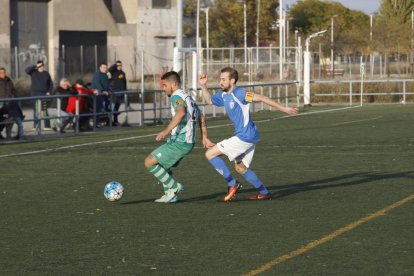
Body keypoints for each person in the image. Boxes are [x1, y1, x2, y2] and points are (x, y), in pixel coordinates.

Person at [199, 67, 298, 202]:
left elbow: (261, 98)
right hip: (249, 137)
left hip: (244, 137)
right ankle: (264, 193)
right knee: (240, 168)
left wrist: (284, 109)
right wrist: (203, 86)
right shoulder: (223, 95)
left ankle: (232, 184)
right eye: (220, 79)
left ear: (232, 80)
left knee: (209, 154)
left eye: (223, 79)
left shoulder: (240, 93)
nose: (220, 82)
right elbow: (210, 100)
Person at [144, 71, 214, 203]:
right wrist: (204, 137)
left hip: (180, 141)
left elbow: (180, 113)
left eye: (165, 85)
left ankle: (174, 187)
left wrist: (165, 131)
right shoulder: (187, 96)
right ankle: (170, 195)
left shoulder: (176, 96)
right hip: (185, 141)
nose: (163, 88)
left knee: (149, 162)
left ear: (174, 84)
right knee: (162, 166)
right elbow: (201, 116)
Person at [25, 61, 53, 131]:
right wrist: (36, 66)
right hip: (35, 94)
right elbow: (27, 70)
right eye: (40, 66)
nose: (42, 67)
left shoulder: (46, 74)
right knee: (36, 110)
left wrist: (49, 91)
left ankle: (47, 126)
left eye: (43, 65)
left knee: (45, 110)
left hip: (44, 94)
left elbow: (50, 84)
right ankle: (36, 126)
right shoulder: (33, 72)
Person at [0, 68, 24, 140]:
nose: (2, 74)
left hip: (12, 104)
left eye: (3, 72)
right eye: (1, 72)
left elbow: (13, 90)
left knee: (17, 121)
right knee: (5, 121)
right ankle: (7, 137)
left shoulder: (9, 80)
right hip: (2, 104)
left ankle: (19, 136)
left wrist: (14, 96)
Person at [91, 63, 111, 127]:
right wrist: (102, 91)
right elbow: (97, 83)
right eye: (104, 67)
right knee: (97, 108)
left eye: (106, 67)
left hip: (105, 94)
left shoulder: (105, 75)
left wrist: (108, 90)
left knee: (105, 108)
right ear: (100, 68)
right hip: (98, 94)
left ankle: (106, 122)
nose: (105, 69)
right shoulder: (97, 74)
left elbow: (107, 84)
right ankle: (95, 123)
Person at [109, 61, 127, 126]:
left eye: (121, 65)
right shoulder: (114, 72)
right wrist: (115, 65)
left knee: (117, 107)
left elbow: (125, 82)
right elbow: (110, 69)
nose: (120, 66)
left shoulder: (123, 73)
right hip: (115, 92)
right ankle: (110, 121)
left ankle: (115, 121)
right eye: (118, 65)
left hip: (121, 92)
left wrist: (125, 90)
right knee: (113, 107)